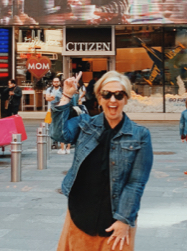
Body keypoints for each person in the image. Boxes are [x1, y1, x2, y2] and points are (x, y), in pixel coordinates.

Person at [52, 71, 153, 250]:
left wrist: (123, 220)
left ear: (126, 99)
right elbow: (59, 134)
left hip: (116, 221)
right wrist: (67, 95)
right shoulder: (85, 124)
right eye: (106, 94)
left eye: (118, 95)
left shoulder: (140, 135)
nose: (112, 100)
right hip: (79, 215)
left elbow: (136, 183)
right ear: (99, 98)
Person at [46, 77, 70, 155]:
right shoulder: (49, 89)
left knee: (60, 127)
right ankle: (54, 142)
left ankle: (64, 147)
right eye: (54, 81)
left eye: (57, 81)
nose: (56, 83)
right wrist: (56, 98)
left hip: (60, 111)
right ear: (52, 82)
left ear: (59, 82)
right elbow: (47, 98)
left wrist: (53, 98)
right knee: (51, 126)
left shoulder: (62, 90)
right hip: (51, 111)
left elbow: (62, 99)